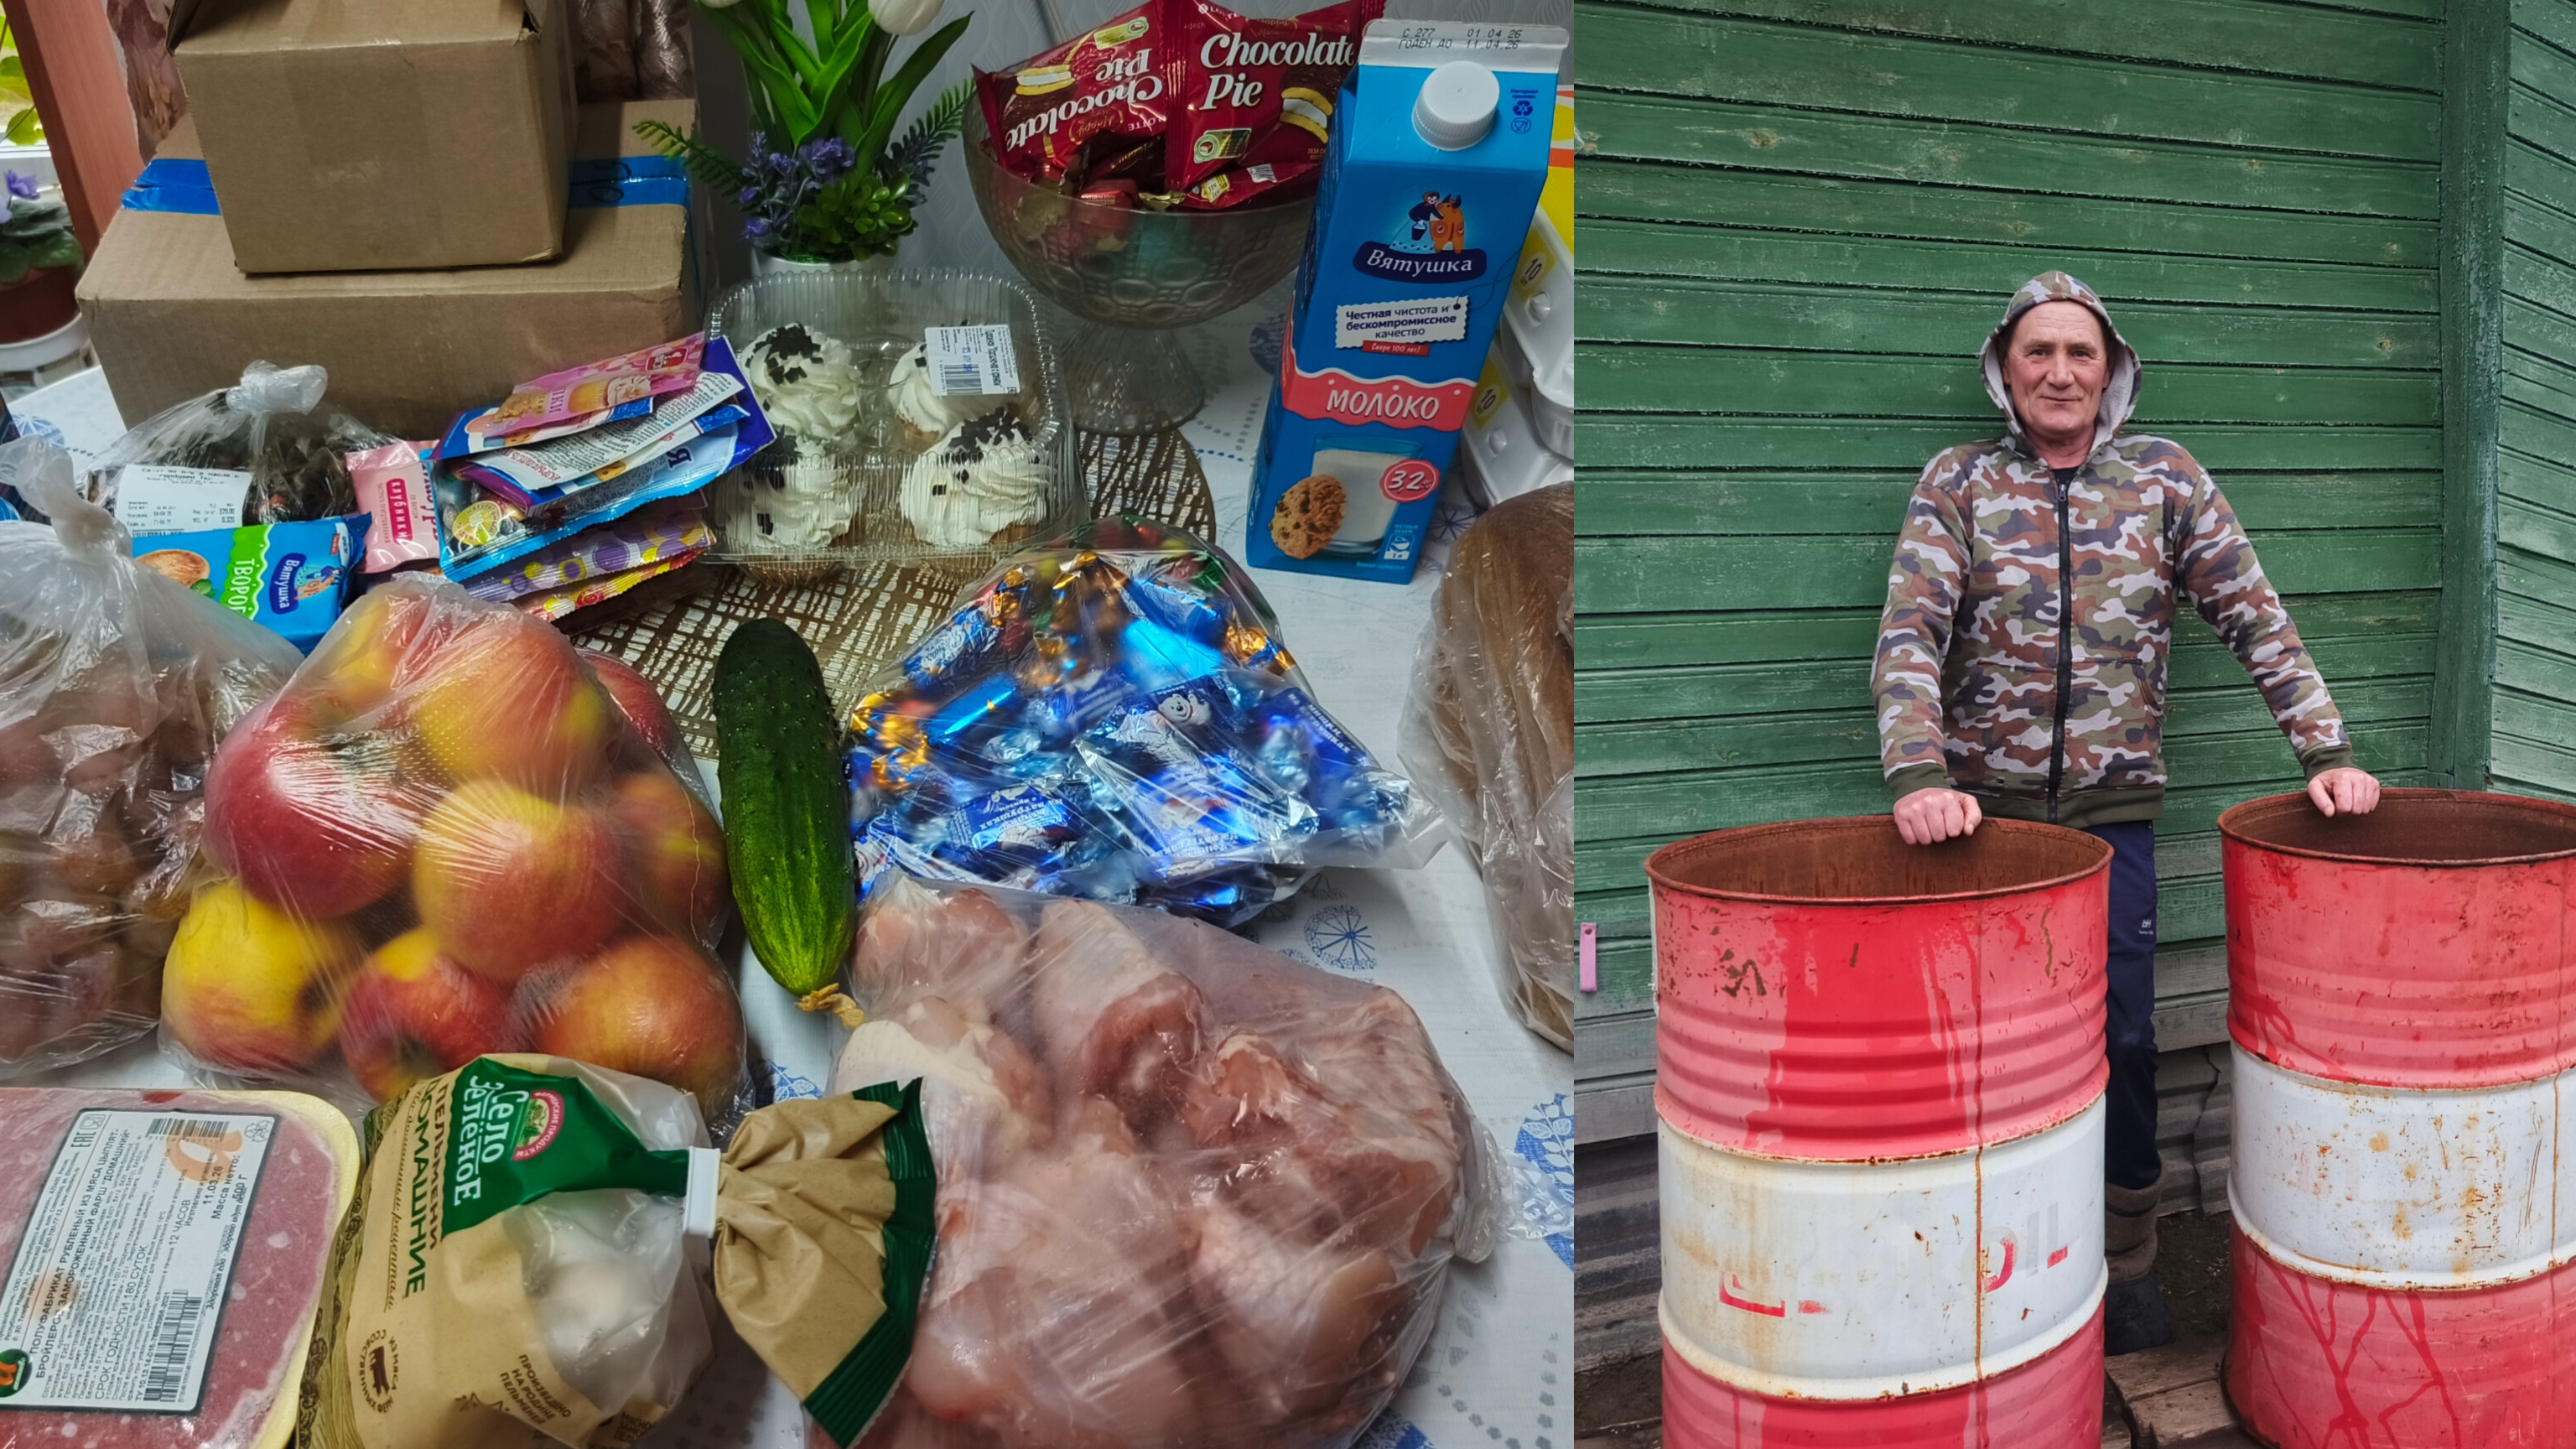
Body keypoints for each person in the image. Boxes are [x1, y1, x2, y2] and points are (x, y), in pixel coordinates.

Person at [1870, 271, 2382, 1354]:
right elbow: (1911, 631)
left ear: (2113, 374)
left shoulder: (2164, 480)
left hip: (2115, 821)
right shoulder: (1960, 482)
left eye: (2082, 353)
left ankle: (2130, 1260)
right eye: (2039, 351)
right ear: (2005, 370)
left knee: (2128, 1036)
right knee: (1973, 1045)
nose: (2060, 372)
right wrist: (1918, 776)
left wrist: (2327, 752)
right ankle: (1982, 1257)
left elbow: (2257, 618)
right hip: (1982, 829)